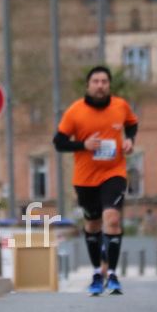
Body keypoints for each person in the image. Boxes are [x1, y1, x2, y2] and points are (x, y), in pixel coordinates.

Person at [53, 66, 139, 296]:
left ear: (109, 85)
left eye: (104, 81)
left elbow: (132, 124)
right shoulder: (75, 111)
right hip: (85, 178)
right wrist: (84, 145)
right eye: (96, 81)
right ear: (88, 85)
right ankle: (96, 273)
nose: (100, 85)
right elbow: (59, 142)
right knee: (92, 225)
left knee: (112, 219)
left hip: (114, 173)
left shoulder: (121, 106)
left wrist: (129, 140)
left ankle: (112, 274)